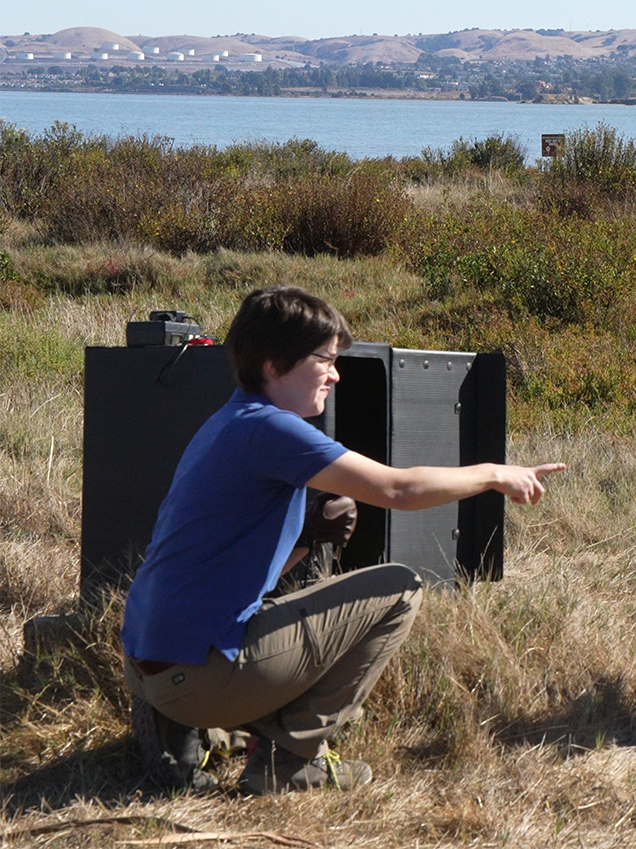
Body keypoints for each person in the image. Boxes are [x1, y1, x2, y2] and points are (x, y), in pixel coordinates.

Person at [120, 285, 564, 794]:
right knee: (400, 589)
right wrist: (492, 473)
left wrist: (307, 543)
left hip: (152, 666)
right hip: (196, 679)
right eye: (325, 359)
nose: (335, 373)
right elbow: (398, 489)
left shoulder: (226, 423)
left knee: (277, 610)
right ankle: (288, 760)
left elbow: (226, 577)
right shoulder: (275, 431)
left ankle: (189, 731)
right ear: (273, 363)